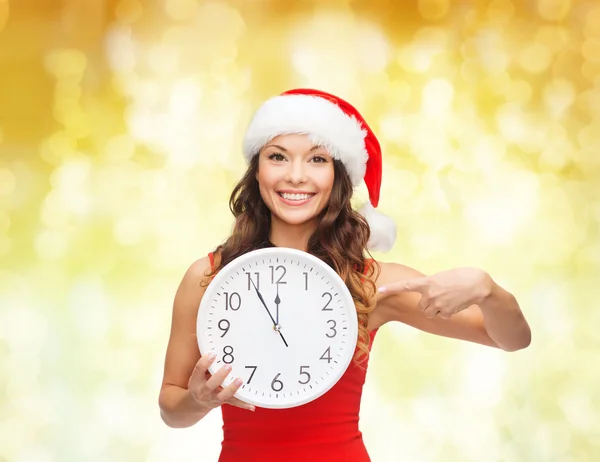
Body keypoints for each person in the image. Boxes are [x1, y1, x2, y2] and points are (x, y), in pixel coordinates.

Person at [158, 88, 532, 461]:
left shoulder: (370, 282)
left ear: (338, 175)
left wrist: (487, 290)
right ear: (257, 170)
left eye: (317, 159)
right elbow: (171, 409)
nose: (296, 176)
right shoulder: (209, 277)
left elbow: (511, 339)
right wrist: (197, 399)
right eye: (278, 157)